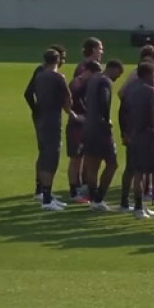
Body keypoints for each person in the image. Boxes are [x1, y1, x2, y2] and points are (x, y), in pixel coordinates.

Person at [33, 49, 84, 211]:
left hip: (41, 118)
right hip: (52, 120)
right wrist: (73, 114)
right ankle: (47, 199)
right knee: (51, 157)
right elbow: (67, 99)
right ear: (58, 61)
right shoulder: (58, 77)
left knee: (43, 154)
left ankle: (43, 192)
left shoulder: (39, 76)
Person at [24, 44, 67, 199]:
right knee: (48, 152)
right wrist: (37, 110)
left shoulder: (44, 71)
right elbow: (28, 93)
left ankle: (41, 189)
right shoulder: (44, 72)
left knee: (44, 151)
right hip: (46, 117)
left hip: (41, 116)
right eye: (63, 58)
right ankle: (42, 190)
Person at [125, 61, 154, 220]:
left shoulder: (130, 90)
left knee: (138, 173)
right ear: (150, 74)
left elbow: (126, 112)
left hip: (134, 135)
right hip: (149, 137)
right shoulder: (152, 92)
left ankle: (138, 207)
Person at [81, 60, 124, 211]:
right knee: (112, 164)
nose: (117, 78)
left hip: (88, 127)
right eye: (118, 74)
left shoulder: (93, 79)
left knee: (93, 165)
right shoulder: (105, 81)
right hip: (101, 129)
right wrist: (107, 120)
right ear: (113, 69)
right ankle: (99, 198)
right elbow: (104, 101)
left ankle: (93, 198)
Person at [66, 60, 101, 203]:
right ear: (88, 72)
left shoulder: (88, 84)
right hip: (76, 125)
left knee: (84, 157)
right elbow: (72, 103)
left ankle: (82, 188)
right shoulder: (76, 83)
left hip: (86, 125)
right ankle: (74, 191)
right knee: (75, 159)